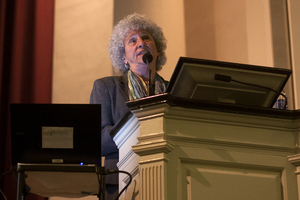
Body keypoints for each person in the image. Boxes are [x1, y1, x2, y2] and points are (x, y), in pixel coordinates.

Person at [90, 13, 168, 199]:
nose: (141, 43)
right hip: (121, 184)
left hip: (170, 175)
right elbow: (95, 141)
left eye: (146, 37)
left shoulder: (173, 90)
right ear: (123, 57)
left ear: (157, 51)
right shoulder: (106, 87)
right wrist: (138, 125)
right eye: (132, 41)